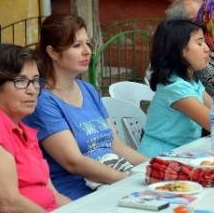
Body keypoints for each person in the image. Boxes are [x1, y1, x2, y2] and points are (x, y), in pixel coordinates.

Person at [24, 14, 146, 200]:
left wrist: (154, 166)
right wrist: (128, 181)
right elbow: (73, 162)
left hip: (114, 181)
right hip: (79, 194)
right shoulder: (43, 100)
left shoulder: (88, 90)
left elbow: (117, 146)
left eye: (87, 44)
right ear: (53, 52)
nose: (87, 51)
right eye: (76, 45)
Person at [0, 44, 70, 212]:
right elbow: (9, 204)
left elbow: (53, 194)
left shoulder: (23, 129)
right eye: (22, 81)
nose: (32, 90)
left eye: (35, 81)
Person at [139, 20, 214, 156]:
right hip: (159, 158)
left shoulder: (192, 83)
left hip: (183, 153)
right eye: (199, 43)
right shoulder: (174, 89)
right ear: (180, 50)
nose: (207, 48)